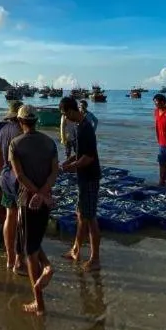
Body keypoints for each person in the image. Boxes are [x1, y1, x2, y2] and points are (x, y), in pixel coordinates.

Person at [8, 105, 58, 316]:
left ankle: (39, 301)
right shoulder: (49, 142)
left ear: (20, 122)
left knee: (29, 251)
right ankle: (46, 266)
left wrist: (35, 193)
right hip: (45, 200)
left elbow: (19, 176)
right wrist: (44, 193)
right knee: (34, 240)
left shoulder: (15, 144)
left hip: (27, 200)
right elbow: (55, 171)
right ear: (36, 121)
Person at [58, 97, 102, 271]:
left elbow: (88, 158)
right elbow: (79, 154)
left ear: (70, 111)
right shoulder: (78, 127)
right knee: (80, 213)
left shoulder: (86, 128)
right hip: (83, 177)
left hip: (90, 177)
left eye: (64, 114)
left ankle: (95, 259)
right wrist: (67, 162)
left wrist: (71, 168)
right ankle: (76, 250)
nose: (65, 118)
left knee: (90, 218)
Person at [0, 100, 24, 272]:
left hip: (5, 177)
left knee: (9, 215)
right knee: (21, 218)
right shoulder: (21, 132)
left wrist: (2, 173)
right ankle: (19, 259)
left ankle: (10, 258)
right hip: (19, 179)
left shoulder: (2, 131)